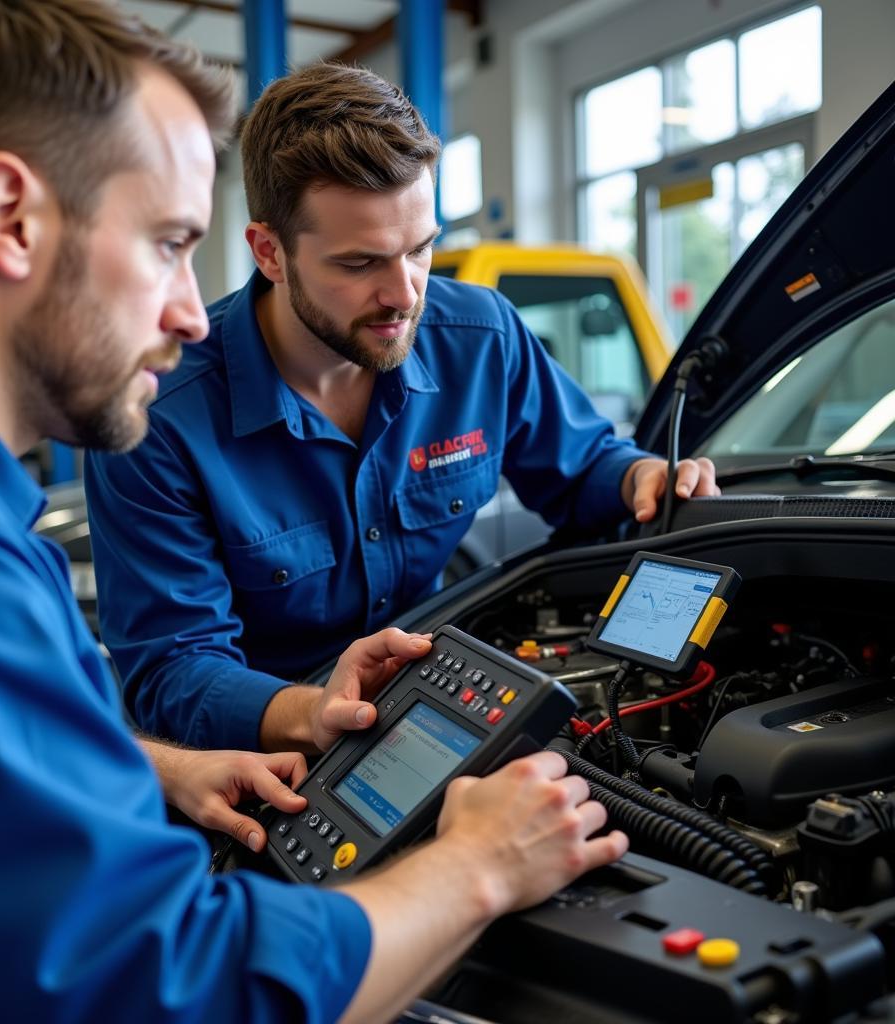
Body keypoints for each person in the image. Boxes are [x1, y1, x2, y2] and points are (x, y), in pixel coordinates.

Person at [0, 3, 627, 1022]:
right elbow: (174, 989)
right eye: (170, 242)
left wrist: (151, 767)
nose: (190, 311)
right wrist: (478, 867)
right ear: (9, 217)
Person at [85, 62, 720, 753]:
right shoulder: (159, 416)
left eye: (421, 249)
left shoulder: (480, 338)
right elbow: (171, 670)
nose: (405, 294)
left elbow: (585, 465)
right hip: (275, 758)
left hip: (446, 711)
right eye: (360, 264)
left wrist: (640, 478)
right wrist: (313, 710)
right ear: (270, 252)